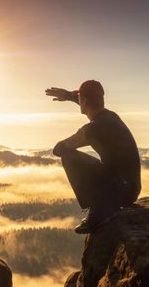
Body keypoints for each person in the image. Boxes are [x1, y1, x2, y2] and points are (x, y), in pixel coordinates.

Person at [45, 80, 141, 234]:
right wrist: (69, 95)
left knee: (69, 156)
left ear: (83, 101)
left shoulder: (92, 129)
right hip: (130, 188)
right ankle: (103, 207)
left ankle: (99, 212)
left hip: (120, 191)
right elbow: (89, 102)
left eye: (79, 98)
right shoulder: (111, 117)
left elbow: (59, 149)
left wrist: (76, 138)